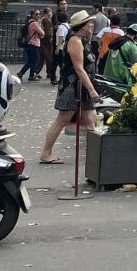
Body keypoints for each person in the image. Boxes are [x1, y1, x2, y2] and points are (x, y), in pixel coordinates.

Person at [40, 10, 101, 164]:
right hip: (72, 87)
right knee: (63, 119)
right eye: (90, 23)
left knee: (91, 119)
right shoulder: (75, 41)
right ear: (82, 26)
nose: (92, 26)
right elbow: (79, 68)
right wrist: (92, 90)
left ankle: (96, 154)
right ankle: (46, 153)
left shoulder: (83, 40)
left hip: (83, 87)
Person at [17, 9, 44, 82]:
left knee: (30, 61)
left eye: (39, 14)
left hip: (29, 43)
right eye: (36, 14)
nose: (38, 15)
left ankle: (21, 73)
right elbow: (42, 33)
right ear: (32, 15)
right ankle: (31, 75)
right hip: (34, 44)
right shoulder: (34, 23)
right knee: (36, 60)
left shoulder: (29, 22)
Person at [39, 7, 55, 81]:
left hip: (42, 40)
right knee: (49, 57)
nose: (51, 14)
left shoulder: (42, 20)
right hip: (47, 41)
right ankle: (49, 73)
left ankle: (36, 71)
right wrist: (50, 39)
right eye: (50, 12)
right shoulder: (47, 21)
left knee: (42, 57)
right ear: (46, 13)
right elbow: (48, 32)